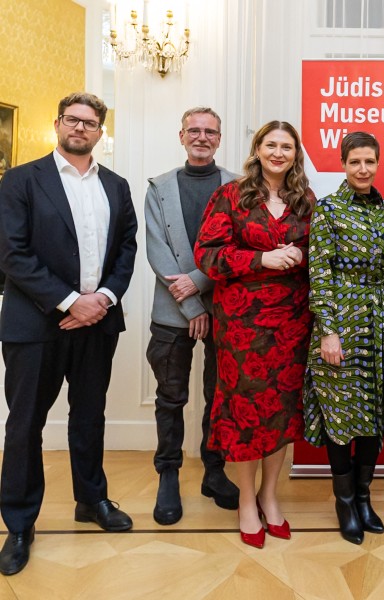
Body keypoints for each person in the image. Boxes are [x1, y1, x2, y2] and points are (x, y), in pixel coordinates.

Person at [0, 92, 137, 576]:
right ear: (58, 123)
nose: (81, 128)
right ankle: (18, 524)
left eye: (90, 122)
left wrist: (101, 300)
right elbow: (12, 253)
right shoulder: (20, 180)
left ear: (100, 132)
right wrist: (69, 301)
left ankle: (91, 501)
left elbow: (126, 250)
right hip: (35, 324)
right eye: (73, 120)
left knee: (89, 417)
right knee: (24, 426)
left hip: (97, 324)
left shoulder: (117, 186)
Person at [194, 120, 315, 549]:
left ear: (295, 153)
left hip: (292, 323)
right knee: (246, 412)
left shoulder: (305, 201)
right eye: (271, 145)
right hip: (242, 326)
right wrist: (263, 259)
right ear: (258, 149)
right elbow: (207, 256)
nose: (278, 153)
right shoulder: (231, 195)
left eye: (286, 146)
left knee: (280, 411)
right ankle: (246, 499)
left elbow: (319, 258)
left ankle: (269, 494)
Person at [304, 131, 384, 544]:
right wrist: (328, 331)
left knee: (373, 416)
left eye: (369, 162)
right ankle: (344, 501)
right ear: (344, 165)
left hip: (380, 325)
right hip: (339, 329)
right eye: (355, 162)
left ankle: (364, 498)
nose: (362, 169)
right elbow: (319, 273)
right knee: (341, 417)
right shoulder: (327, 210)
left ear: (377, 163)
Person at [145, 107, 239, 526]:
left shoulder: (240, 186)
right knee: (171, 396)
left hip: (227, 308)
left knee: (220, 395)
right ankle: (168, 473)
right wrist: (190, 306)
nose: (202, 137)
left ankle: (214, 471)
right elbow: (156, 250)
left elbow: (239, 248)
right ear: (181, 135)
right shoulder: (159, 187)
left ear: (219, 138)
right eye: (194, 131)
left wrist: (199, 290)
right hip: (171, 309)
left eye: (210, 132)